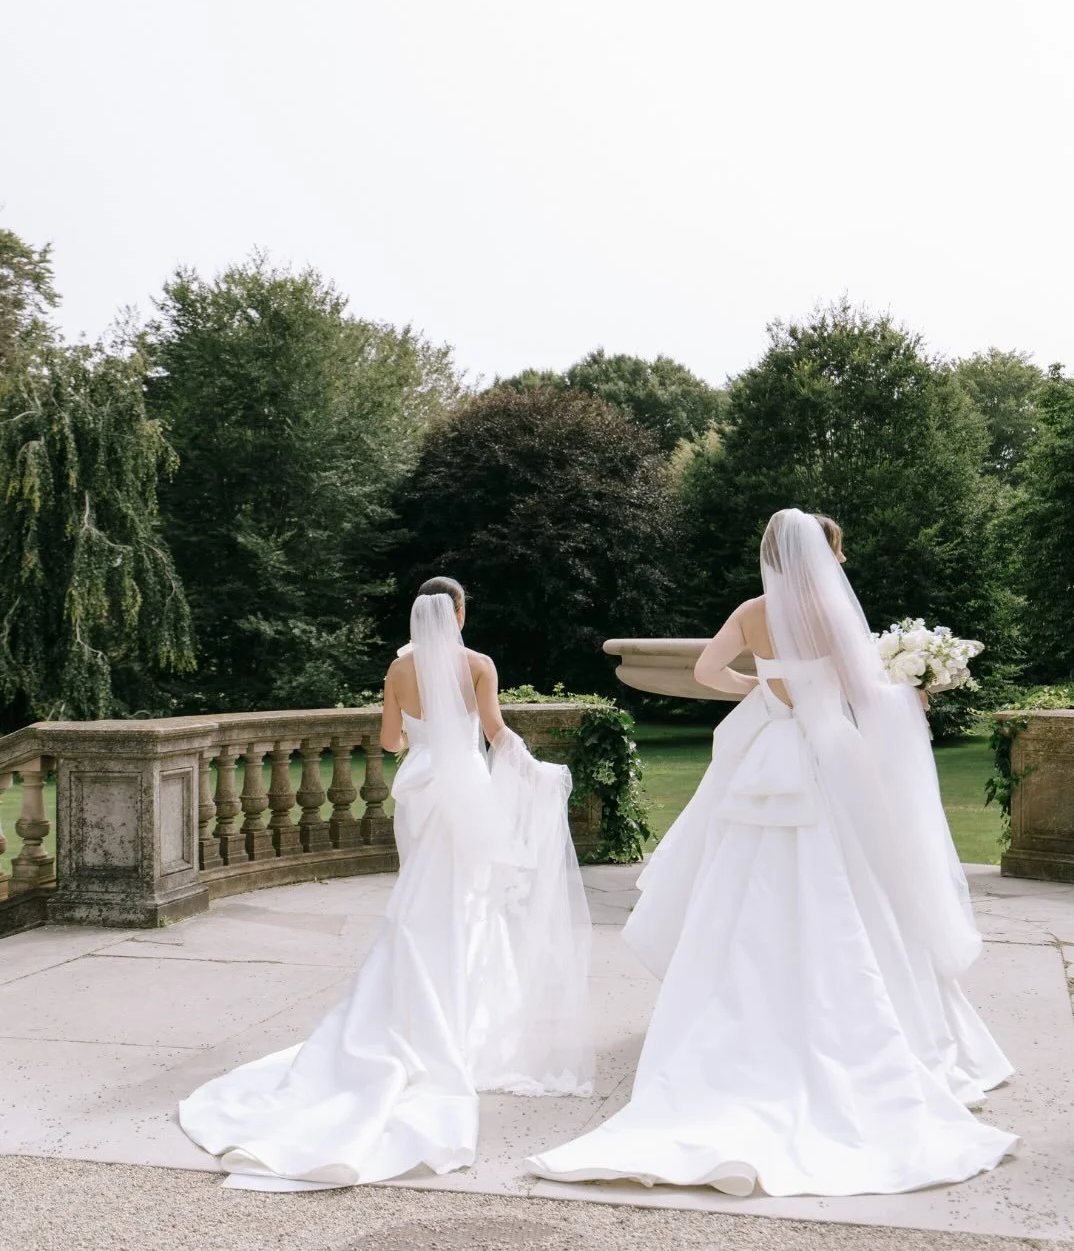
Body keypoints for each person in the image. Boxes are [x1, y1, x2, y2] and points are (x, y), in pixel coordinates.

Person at [528, 508, 1017, 1197]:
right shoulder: (830, 614)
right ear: (819, 555)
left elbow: (705, 668)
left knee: (741, 882)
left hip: (766, 752)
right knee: (856, 884)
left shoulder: (754, 611)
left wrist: (758, 685)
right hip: (827, 759)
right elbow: (862, 692)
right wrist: (911, 691)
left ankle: (734, 1022)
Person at [179, 577, 593, 1190]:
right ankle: (458, 1022)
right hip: (465, 794)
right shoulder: (478, 665)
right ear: (458, 611)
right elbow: (494, 731)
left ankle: (406, 1005)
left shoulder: (398, 670)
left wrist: (423, 737)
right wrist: (535, 769)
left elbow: (390, 740)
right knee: (467, 903)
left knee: (418, 894)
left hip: (420, 790)